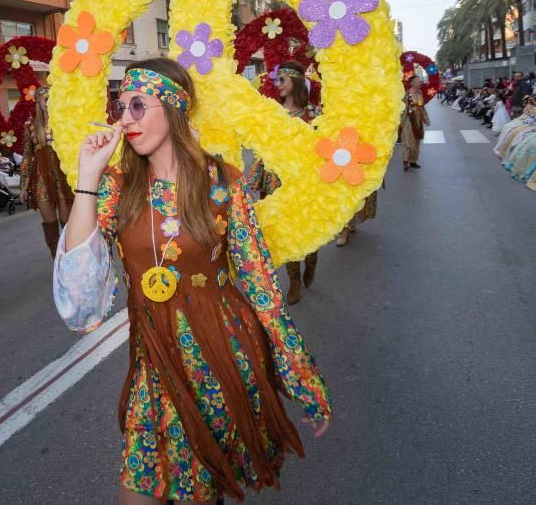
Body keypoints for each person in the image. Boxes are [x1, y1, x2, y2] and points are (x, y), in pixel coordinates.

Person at [55, 59, 330, 503]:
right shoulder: (115, 186)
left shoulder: (223, 183)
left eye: (138, 105)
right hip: (156, 360)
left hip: (220, 356)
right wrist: (88, 178)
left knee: (201, 491)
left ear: (174, 107)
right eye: (120, 105)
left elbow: (261, 286)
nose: (125, 117)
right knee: (138, 491)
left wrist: (301, 374)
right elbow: (79, 293)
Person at [247, 61, 319, 304]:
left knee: (306, 231)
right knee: (285, 230)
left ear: (295, 81)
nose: (277, 85)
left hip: (302, 182)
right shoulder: (273, 112)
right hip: (273, 179)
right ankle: (294, 280)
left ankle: (311, 260)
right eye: (276, 80)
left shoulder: (313, 114)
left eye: (281, 80)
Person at [20, 86, 73, 258]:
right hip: (41, 179)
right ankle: (56, 260)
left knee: (67, 225)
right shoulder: (30, 126)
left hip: (62, 178)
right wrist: (23, 186)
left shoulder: (64, 122)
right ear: (38, 102)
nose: (49, 102)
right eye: (45, 99)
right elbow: (27, 156)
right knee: (50, 226)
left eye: (52, 98)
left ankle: (69, 261)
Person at [401, 75, 430, 171]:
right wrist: (401, 121)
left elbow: (422, 107)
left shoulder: (419, 93)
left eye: (420, 81)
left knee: (416, 141)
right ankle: (405, 161)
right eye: (418, 81)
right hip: (409, 120)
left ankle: (413, 161)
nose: (420, 82)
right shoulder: (407, 94)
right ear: (412, 83)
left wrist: (426, 119)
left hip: (418, 120)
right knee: (407, 141)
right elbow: (402, 108)